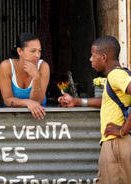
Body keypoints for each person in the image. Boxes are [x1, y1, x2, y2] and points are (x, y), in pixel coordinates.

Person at [58, 36, 131, 184]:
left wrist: (123, 129)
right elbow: (106, 101)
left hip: (117, 143)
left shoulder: (116, 75)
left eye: (93, 55)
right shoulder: (117, 76)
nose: (90, 59)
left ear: (103, 57)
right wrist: (77, 101)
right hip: (116, 143)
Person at [0, 32, 50, 119]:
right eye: (33, 51)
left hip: (38, 119)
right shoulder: (6, 66)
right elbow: (7, 100)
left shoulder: (43, 67)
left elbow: (37, 101)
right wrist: (27, 102)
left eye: (39, 51)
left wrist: (36, 78)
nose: (37, 55)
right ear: (19, 51)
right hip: (12, 119)